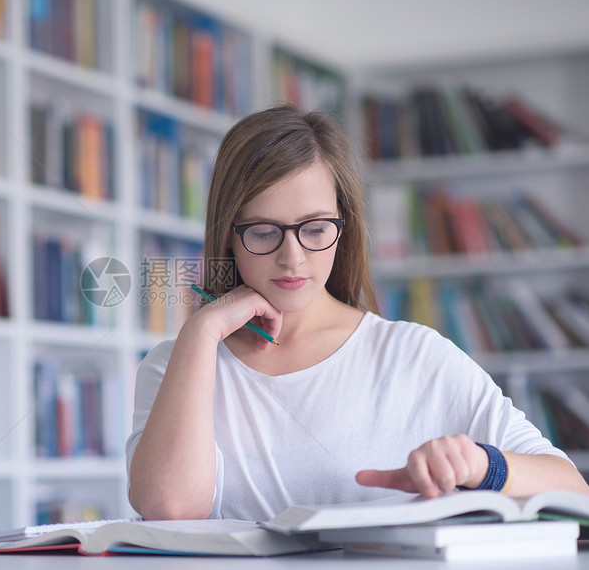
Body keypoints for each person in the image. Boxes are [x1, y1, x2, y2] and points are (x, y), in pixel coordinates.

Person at [125, 104, 589, 522]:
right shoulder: (175, 365)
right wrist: (202, 333)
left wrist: (484, 466)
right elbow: (171, 508)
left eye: (316, 228)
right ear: (228, 233)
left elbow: (573, 490)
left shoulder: (412, 355)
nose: (293, 257)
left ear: (342, 227)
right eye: (264, 232)